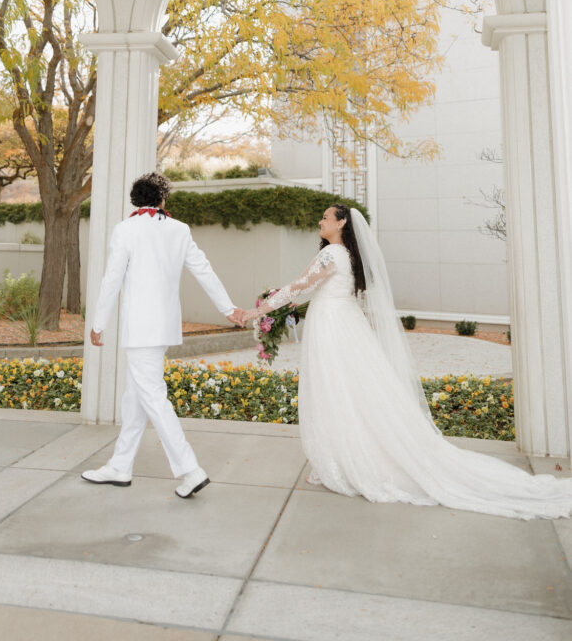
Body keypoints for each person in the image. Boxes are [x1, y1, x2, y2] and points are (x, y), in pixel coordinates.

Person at [239, 204, 572, 520]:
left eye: (326, 217)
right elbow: (307, 287)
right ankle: (343, 456)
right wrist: (278, 303)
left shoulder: (332, 253)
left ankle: (348, 460)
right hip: (342, 323)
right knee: (351, 391)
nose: (320, 221)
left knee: (337, 390)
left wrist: (258, 311)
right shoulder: (345, 255)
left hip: (333, 327)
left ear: (342, 223)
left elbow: (299, 286)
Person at [82, 172, 243, 498]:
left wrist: (98, 323)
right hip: (164, 327)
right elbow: (204, 269)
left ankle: (190, 470)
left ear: (135, 200)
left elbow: (112, 278)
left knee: (153, 397)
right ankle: (120, 466)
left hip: (140, 330)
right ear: (163, 198)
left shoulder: (126, 229)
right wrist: (228, 308)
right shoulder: (179, 229)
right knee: (135, 399)